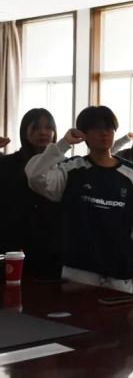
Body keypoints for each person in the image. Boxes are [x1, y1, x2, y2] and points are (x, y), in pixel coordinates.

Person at [25, 106, 133, 293]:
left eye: (109, 127)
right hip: (78, 270)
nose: (104, 133)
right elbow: (36, 177)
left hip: (119, 271)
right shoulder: (72, 169)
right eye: (97, 128)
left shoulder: (131, 175)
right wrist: (63, 144)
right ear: (84, 134)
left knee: (119, 313)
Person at [0, 109, 63, 278]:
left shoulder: (63, 165)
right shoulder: (8, 163)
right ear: (24, 131)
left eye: (48, 127)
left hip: (51, 245)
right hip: (14, 243)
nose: (43, 132)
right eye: (35, 127)